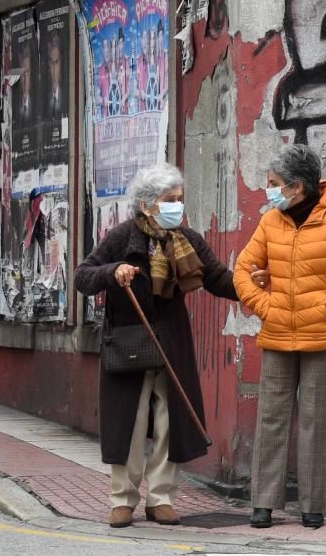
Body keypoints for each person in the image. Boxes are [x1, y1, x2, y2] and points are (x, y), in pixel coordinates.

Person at [74, 162, 238, 529]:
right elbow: (83, 276)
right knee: (129, 425)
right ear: (148, 205)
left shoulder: (187, 239)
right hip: (129, 343)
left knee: (170, 422)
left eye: (179, 199)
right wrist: (113, 272)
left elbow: (216, 277)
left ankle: (161, 498)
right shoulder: (121, 237)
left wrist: (251, 287)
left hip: (171, 345)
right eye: (169, 200)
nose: (177, 206)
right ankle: (123, 499)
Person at [234, 144, 326, 530]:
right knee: (271, 420)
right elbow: (242, 271)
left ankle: (313, 506)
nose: (270, 191)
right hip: (278, 335)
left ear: (297, 186)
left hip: (325, 340)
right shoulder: (270, 222)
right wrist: (265, 307)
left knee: (317, 422)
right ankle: (263, 504)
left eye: (274, 184)